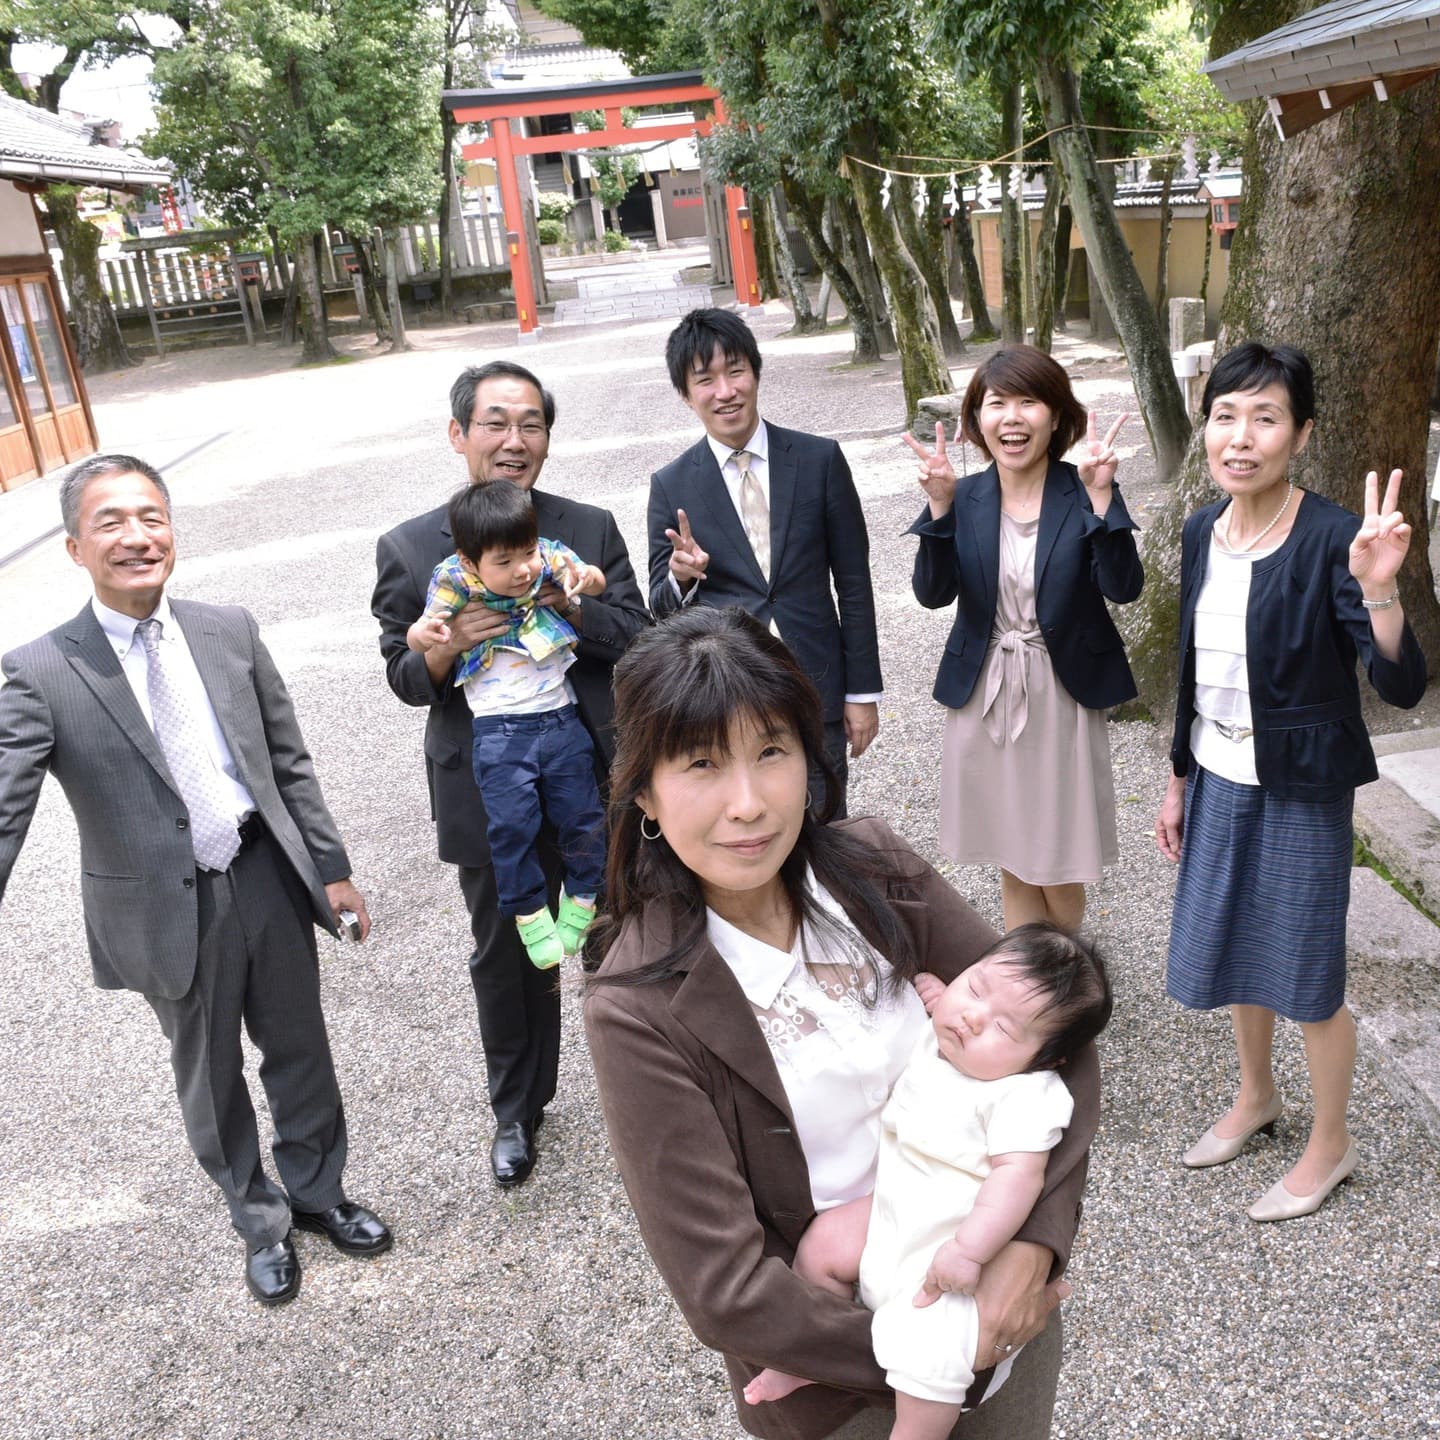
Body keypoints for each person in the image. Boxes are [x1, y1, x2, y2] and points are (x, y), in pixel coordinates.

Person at [584, 607, 1101, 1440]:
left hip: (1008, 1322)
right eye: (703, 765)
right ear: (644, 788)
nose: (748, 804)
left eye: (771, 752)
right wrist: (939, 1349)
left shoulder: (875, 870)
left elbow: (1060, 1042)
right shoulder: (640, 1007)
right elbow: (727, 1288)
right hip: (843, 1391)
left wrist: (1031, 1251)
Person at [0, 455, 390, 1308]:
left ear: (171, 529)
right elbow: (6, 804)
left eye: (152, 516)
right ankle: (260, 1223)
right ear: (74, 547)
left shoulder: (227, 628)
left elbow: (287, 762)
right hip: (164, 908)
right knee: (210, 1080)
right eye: (112, 522)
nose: (137, 536)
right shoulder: (39, 671)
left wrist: (333, 868)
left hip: (265, 876)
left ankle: (320, 1194)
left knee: (301, 1055)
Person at [1155, 342, 1426, 1221]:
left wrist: (1381, 592)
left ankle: (1331, 1141)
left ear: (1300, 434)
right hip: (1219, 768)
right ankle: (1256, 1097)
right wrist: (1178, 777)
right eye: (1225, 415)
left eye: (1265, 417)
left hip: (1303, 784)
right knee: (1236, 947)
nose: (1242, 436)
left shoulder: (1329, 537)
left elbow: (1399, 686)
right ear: (1207, 430)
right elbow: (1193, 671)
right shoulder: (1202, 529)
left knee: (1307, 975)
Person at [372, 361, 649, 1188]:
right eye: (494, 422)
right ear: (459, 435)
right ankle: (516, 1111)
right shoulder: (412, 547)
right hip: (485, 779)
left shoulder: (584, 530)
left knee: (619, 932)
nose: (513, 440)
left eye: (530, 423)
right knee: (505, 950)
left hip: (590, 770)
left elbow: (639, 633)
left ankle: (643, 1091)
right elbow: (400, 673)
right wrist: (448, 647)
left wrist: (569, 605)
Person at [744, 925, 1112, 1440]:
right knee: (823, 1245)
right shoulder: (939, 1037)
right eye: (976, 988)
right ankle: (805, 1356)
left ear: (1047, 1059)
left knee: (930, 1350)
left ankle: (917, 1433)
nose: (973, 1018)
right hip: (890, 1206)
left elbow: (1018, 1175)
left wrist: (969, 1249)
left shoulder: (1024, 1096)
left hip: (946, 1240)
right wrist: (940, 995)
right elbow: (950, 1006)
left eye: (1006, 1030)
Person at [906, 344, 1142, 933]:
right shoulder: (968, 496)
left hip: (1059, 689)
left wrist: (1103, 499)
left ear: (1056, 416)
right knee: (1013, 856)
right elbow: (933, 595)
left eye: (1029, 402)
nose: (1011, 418)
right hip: (987, 686)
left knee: (1059, 861)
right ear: (977, 420)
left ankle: (1067, 984)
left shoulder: (1082, 485)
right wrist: (937, 510)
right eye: (996, 403)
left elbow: (1124, 587)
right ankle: (1033, 994)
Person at [647, 307, 882, 810]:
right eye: (705, 380)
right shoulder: (671, 484)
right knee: (752, 828)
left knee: (824, 826)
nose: (725, 391)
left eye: (735, 371)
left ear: (755, 372)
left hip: (817, 686)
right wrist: (679, 577)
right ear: (686, 395)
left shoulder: (820, 460)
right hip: (727, 696)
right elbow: (660, 611)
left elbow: (855, 584)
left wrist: (862, 693)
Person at [406, 478, 608, 968]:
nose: (522, 570)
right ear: (471, 561)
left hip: (561, 719)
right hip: (500, 733)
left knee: (585, 817)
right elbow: (418, 637)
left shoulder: (547, 555)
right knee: (511, 828)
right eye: (504, 562)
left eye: (527, 553)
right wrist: (429, 634)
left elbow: (592, 577)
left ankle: (582, 900)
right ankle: (530, 914)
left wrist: (585, 583)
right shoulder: (453, 580)